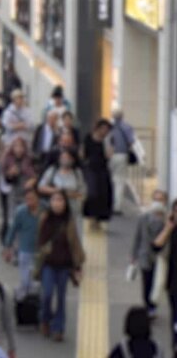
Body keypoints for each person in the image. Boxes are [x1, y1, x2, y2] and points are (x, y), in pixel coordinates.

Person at [36, 191, 85, 342]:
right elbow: (39, 241)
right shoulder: (45, 218)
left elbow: (75, 243)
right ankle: (45, 319)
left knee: (61, 298)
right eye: (55, 200)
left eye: (60, 200)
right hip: (48, 264)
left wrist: (78, 265)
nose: (57, 203)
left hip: (64, 265)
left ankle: (59, 328)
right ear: (50, 203)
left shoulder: (69, 221)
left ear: (65, 203)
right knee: (47, 294)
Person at [131, 190, 169, 318]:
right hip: (145, 256)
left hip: (161, 258)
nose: (158, 203)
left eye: (161, 200)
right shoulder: (144, 218)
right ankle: (148, 307)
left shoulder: (168, 221)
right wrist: (133, 255)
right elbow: (137, 237)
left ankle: (153, 305)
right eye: (155, 199)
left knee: (157, 283)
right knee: (146, 283)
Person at [3, 189, 43, 298]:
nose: (29, 201)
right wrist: (7, 248)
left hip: (42, 252)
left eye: (32, 198)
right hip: (25, 251)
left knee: (40, 283)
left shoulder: (45, 210)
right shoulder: (20, 212)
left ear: (38, 199)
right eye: (27, 199)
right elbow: (13, 230)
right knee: (25, 281)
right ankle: (25, 304)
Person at [38, 150, 85, 236]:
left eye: (68, 158)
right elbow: (41, 187)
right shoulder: (52, 171)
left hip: (72, 211)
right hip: (54, 209)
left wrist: (69, 194)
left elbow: (83, 193)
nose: (65, 160)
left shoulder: (77, 173)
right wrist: (56, 191)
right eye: (63, 157)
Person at [151, 199, 177, 354]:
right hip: (174, 284)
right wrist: (168, 227)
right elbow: (156, 246)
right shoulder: (171, 230)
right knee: (175, 319)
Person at [0, 137, 36, 241]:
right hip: (14, 193)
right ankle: (12, 247)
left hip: (28, 194)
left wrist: (33, 180)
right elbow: (6, 180)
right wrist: (10, 174)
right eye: (16, 146)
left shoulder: (30, 159)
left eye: (21, 146)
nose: (19, 149)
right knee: (13, 221)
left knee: (26, 220)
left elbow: (36, 175)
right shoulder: (8, 160)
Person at [82, 119, 114, 229]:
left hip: (103, 169)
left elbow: (109, 155)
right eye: (103, 129)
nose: (105, 131)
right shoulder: (88, 137)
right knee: (92, 193)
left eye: (107, 130)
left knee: (103, 194)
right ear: (98, 128)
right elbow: (83, 153)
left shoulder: (108, 140)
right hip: (91, 168)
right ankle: (91, 217)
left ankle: (99, 220)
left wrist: (107, 142)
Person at [110, 110, 136, 215]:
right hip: (121, 155)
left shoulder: (108, 127)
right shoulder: (127, 127)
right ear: (122, 116)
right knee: (119, 181)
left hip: (109, 156)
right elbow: (131, 141)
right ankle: (117, 207)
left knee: (109, 180)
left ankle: (108, 204)